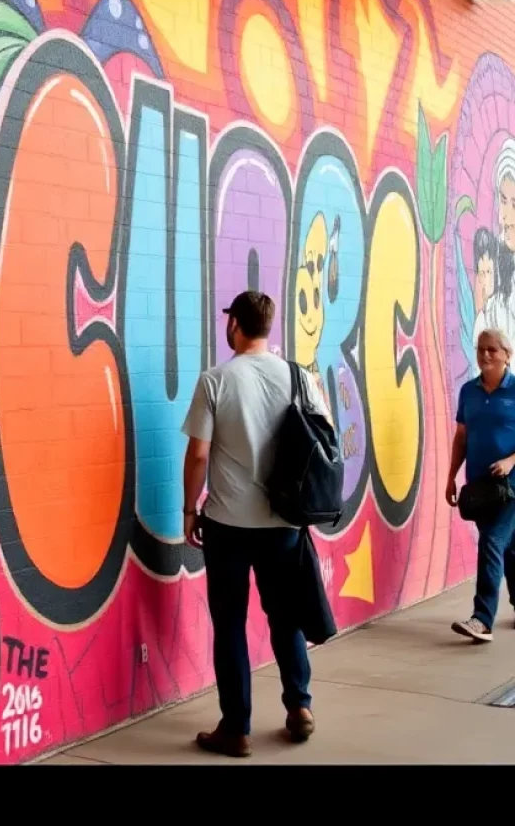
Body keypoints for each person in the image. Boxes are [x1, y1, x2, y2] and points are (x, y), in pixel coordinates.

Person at [181, 290, 331, 758]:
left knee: (230, 625)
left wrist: (190, 509)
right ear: (269, 326)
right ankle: (299, 706)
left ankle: (236, 728)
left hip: (228, 525)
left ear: (234, 325)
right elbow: (323, 439)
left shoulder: (216, 380)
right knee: (284, 617)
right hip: (285, 523)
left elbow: (200, 453)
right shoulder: (300, 378)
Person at [446, 327, 515, 642]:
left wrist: (511, 461)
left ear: (506, 355)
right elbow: (461, 437)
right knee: (507, 548)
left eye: (492, 350)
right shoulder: (468, 391)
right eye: (481, 349)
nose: (485, 355)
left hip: (512, 488)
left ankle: (482, 619)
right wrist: (451, 476)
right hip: (481, 489)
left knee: (491, 542)